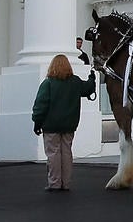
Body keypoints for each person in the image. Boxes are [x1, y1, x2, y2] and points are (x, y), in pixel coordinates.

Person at [31, 54, 96, 192]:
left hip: (51, 126)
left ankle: (54, 183)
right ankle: (65, 183)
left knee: (53, 154)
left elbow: (40, 106)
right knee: (66, 152)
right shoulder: (75, 82)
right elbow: (88, 88)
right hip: (69, 125)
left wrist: (37, 123)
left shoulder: (48, 83)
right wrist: (92, 78)